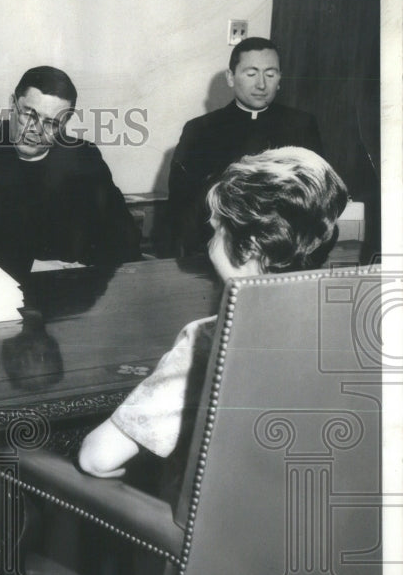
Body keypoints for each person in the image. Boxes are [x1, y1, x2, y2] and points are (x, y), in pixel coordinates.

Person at [78, 146, 347, 479]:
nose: (209, 243)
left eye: (216, 229)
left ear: (247, 246)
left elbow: (98, 457)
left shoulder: (210, 340)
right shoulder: (354, 329)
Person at [0, 66, 140, 282]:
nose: (36, 129)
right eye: (30, 114)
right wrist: (33, 267)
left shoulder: (85, 158)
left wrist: (83, 268)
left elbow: (125, 236)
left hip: (77, 292)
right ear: (12, 104)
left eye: (51, 123)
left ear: (65, 124)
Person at [168, 37, 324, 255]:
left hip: (286, 251)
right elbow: (182, 208)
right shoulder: (200, 130)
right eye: (251, 74)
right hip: (216, 250)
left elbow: (318, 197)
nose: (261, 84)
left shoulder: (302, 125)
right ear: (231, 78)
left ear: (279, 79)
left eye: (270, 74)